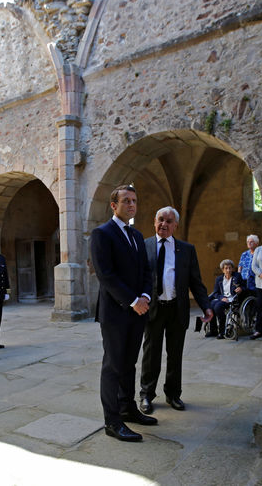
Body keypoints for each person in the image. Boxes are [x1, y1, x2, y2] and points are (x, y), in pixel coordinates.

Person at [90, 185, 156, 442]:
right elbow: (106, 274)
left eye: (134, 201)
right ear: (113, 205)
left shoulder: (137, 236)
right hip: (116, 312)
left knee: (129, 363)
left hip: (137, 311)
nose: (131, 205)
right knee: (113, 366)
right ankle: (112, 421)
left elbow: (146, 272)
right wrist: (132, 300)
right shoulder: (102, 234)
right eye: (126, 200)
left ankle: (128, 408)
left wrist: (146, 297)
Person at [139, 207, 213, 415]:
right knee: (151, 354)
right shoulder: (144, 246)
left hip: (176, 309)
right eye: (161, 220)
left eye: (169, 221)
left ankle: (173, 394)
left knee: (175, 354)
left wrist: (206, 306)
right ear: (155, 221)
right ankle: (146, 394)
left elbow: (195, 281)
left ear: (175, 226)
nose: (164, 224)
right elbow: (136, 278)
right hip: (153, 309)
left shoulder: (186, 250)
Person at [208, 259, 244, 339]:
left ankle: (222, 331)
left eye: (230, 268)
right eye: (226, 268)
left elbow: (244, 286)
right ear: (223, 270)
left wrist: (241, 288)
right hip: (222, 298)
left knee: (218, 307)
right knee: (210, 306)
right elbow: (216, 292)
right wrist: (221, 297)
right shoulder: (219, 279)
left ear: (232, 268)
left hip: (232, 299)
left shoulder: (237, 276)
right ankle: (213, 330)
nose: (228, 270)